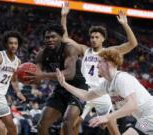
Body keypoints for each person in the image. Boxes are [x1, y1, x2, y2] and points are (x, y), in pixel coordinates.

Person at [61, 3, 138, 135]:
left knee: (110, 127)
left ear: (103, 39)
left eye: (97, 37)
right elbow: (64, 38)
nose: (94, 39)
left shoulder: (108, 52)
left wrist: (125, 24)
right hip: (84, 92)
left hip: (101, 93)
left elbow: (133, 44)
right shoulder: (84, 50)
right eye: (92, 37)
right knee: (68, 124)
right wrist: (63, 16)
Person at [56, 48, 153, 135]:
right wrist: (64, 84)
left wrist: (106, 117)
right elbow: (86, 95)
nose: (96, 66)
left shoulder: (122, 79)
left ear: (108, 63)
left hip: (150, 116)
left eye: (99, 62)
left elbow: (133, 105)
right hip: (144, 120)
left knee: (136, 129)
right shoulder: (107, 84)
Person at [25, 23, 88, 135]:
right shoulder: (41, 54)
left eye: (53, 37)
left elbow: (69, 74)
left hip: (78, 88)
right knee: (41, 125)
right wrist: (31, 80)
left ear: (60, 37)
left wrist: (43, 75)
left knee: (67, 123)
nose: (50, 39)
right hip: (60, 89)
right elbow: (37, 76)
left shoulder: (69, 49)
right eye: (47, 37)